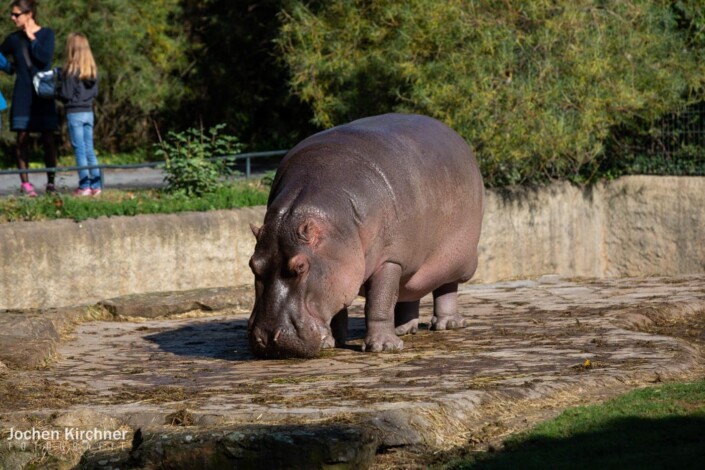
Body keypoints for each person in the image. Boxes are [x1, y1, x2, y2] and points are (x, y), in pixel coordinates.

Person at [0, 0, 58, 197]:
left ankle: (51, 182)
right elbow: (1, 56)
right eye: (12, 14)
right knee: (22, 138)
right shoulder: (13, 39)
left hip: (42, 94)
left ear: (29, 14)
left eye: (16, 14)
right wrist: (9, 68)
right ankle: (26, 185)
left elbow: (44, 57)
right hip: (23, 93)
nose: (12, 18)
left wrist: (32, 38)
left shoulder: (47, 34)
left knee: (48, 139)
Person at [56, 32, 100, 196]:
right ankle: (96, 185)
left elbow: (66, 95)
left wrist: (56, 90)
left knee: (79, 150)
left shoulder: (70, 71)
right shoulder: (92, 71)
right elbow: (95, 92)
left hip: (75, 113)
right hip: (89, 112)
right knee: (90, 149)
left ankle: (84, 185)